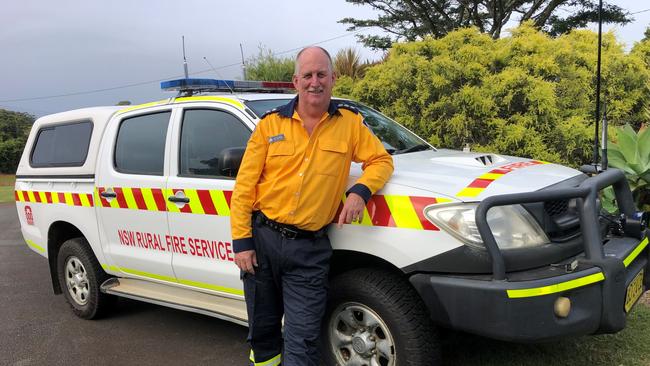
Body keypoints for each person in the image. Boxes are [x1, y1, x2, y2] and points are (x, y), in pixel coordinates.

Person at [230, 46, 394, 366]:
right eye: (308, 75)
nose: (314, 82)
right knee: (262, 334)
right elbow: (244, 189)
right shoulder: (269, 125)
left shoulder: (349, 124)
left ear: (333, 79)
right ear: (296, 81)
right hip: (262, 242)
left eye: (321, 75)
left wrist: (360, 192)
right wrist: (242, 242)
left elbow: (381, 161)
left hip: (309, 250)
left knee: (303, 337)